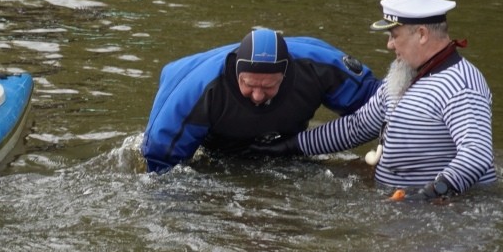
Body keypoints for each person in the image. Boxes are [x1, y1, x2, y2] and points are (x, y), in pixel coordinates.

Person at [258, 0, 495, 199]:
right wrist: (286, 146)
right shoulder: (405, 77)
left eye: (394, 35)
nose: (390, 45)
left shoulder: (461, 84)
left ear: (421, 34)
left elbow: (476, 153)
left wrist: (432, 194)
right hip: (400, 201)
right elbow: (357, 127)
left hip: (444, 210)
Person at [141, 28, 379, 174]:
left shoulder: (320, 67)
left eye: (268, 87)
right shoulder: (195, 91)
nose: (257, 95)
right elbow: (159, 164)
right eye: (249, 85)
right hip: (218, 149)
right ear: (236, 73)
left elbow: (378, 103)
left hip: (287, 147)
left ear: (285, 75)